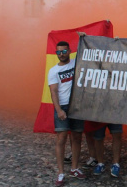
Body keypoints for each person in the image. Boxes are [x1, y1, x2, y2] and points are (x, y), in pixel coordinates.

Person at [49, 41, 86, 186]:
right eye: (58, 52)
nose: (61, 54)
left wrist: (83, 39)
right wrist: (59, 110)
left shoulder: (76, 63)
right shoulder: (53, 71)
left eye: (64, 51)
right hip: (62, 106)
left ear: (70, 51)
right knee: (61, 139)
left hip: (76, 106)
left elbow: (88, 53)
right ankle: (60, 173)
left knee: (77, 138)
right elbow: (53, 91)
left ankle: (74, 168)